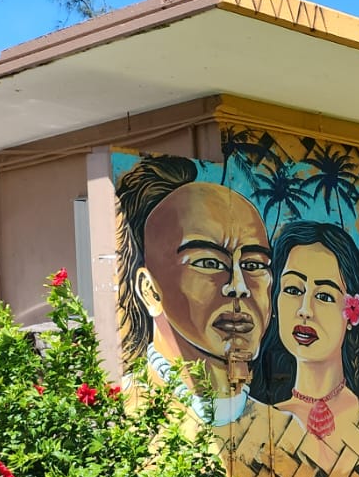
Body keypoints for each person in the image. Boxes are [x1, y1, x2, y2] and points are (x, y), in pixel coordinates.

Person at [115, 155, 272, 426]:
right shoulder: (123, 419)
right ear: (150, 291)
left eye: (253, 265)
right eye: (209, 263)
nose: (239, 287)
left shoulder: (288, 430)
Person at [251, 221, 359, 441]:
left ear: (352, 311)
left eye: (324, 296)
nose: (305, 310)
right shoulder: (263, 417)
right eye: (293, 289)